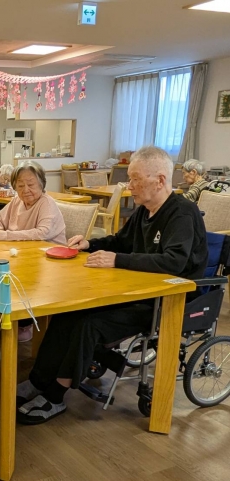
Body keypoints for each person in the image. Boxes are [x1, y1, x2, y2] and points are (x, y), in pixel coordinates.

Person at [16, 146, 208, 425]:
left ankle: (55, 395)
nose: (129, 185)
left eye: (135, 179)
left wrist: (117, 260)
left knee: (88, 324)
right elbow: (119, 241)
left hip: (165, 302)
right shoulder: (144, 212)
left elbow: (173, 261)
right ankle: (39, 380)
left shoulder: (183, 214)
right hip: (134, 291)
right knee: (67, 312)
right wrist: (89, 244)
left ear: (160, 180)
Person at [0, 160, 66, 342]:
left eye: (31, 184)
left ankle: (25, 322)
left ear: (42, 184)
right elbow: (0, 220)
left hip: (49, 261)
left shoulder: (46, 203)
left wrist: (5, 235)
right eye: (20, 185)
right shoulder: (17, 201)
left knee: (20, 278)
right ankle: (5, 314)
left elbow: (42, 233)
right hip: (24, 255)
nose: (25, 189)